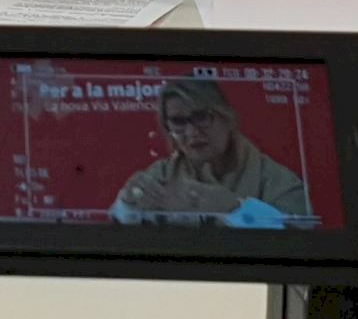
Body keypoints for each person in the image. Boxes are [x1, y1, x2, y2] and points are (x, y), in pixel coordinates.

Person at [110, 78, 309, 225]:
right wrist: (126, 205)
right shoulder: (160, 175)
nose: (191, 132)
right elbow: (118, 234)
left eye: (201, 117)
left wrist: (235, 208)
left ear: (227, 118)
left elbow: (300, 242)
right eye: (178, 121)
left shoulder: (278, 181)